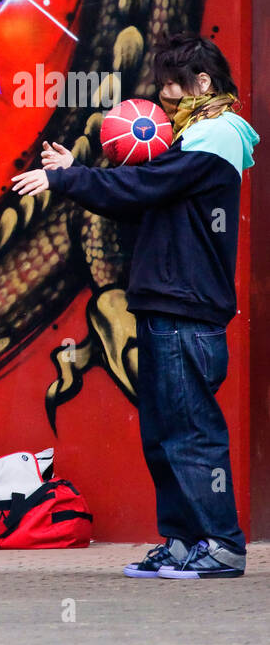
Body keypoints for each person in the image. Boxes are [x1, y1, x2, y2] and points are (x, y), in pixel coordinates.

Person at [13, 31, 258, 579]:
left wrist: (66, 177)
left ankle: (220, 543)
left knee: (190, 432)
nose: (166, 96)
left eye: (174, 84)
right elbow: (140, 196)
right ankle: (180, 541)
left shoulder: (215, 136)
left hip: (184, 310)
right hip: (164, 306)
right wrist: (78, 177)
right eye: (162, 85)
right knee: (162, 433)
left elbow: (143, 187)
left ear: (203, 82)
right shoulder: (189, 142)